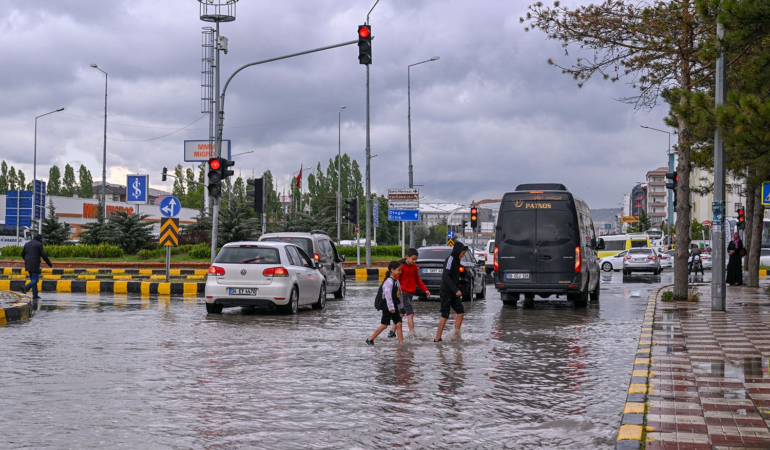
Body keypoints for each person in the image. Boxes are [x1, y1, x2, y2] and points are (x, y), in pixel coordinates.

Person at [388, 248, 431, 338]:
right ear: (407, 257)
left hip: (410, 293)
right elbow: (397, 281)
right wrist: (396, 293)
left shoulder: (414, 267)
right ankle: (412, 334)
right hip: (403, 293)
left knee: (401, 313)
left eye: (416, 259)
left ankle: (392, 331)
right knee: (410, 313)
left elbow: (418, 280)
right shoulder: (401, 267)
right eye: (413, 259)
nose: (414, 261)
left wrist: (425, 290)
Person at [435, 241, 467, 343]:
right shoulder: (450, 259)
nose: (463, 255)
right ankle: (437, 338)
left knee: (460, 312)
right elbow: (446, 276)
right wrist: (455, 289)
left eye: (464, 254)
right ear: (457, 251)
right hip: (446, 291)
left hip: (454, 292)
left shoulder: (457, 261)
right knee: (445, 314)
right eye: (462, 253)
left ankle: (455, 336)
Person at [366, 261, 403, 345]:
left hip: (394, 307)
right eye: (399, 270)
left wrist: (401, 306)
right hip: (388, 307)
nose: (400, 272)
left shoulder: (397, 282)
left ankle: (401, 343)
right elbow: (387, 296)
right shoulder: (388, 282)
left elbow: (399, 295)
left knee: (399, 324)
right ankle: (370, 339)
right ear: (392, 270)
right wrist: (391, 308)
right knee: (384, 325)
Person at [21, 234, 52, 299]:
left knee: (32, 279)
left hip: (28, 263)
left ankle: (35, 294)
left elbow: (22, 254)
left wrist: (27, 260)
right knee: (35, 279)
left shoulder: (27, 244)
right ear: (39, 239)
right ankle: (26, 288)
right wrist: (49, 263)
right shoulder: (39, 244)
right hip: (35, 263)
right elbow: (44, 255)